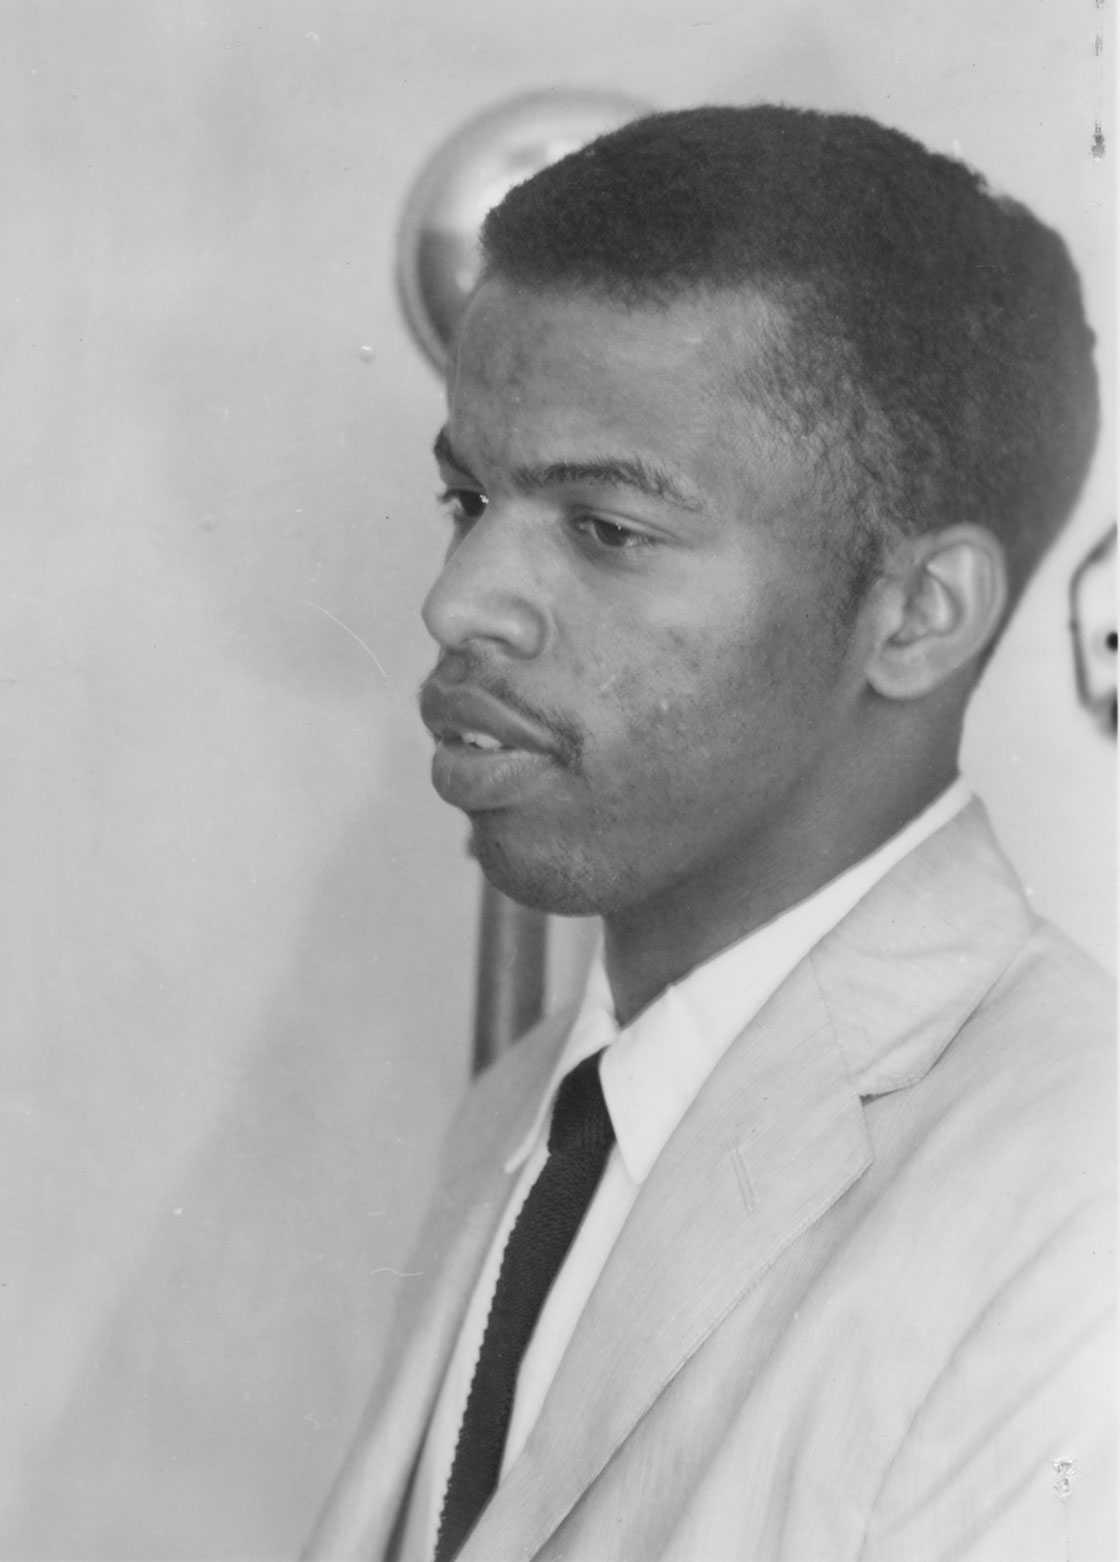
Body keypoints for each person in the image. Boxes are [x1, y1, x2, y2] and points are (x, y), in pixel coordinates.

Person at [309, 105, 1113, 1562]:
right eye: (467, 497)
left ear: (919, 614)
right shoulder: (526, 1116)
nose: (459, 601)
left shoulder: (1079, 1194)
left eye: (608, 527)